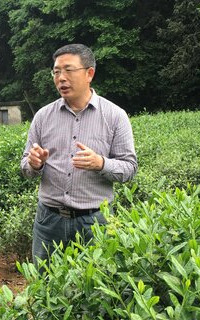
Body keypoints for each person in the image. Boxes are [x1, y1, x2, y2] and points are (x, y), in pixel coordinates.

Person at [20, 44, 138, 268]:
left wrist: (100, 163)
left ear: (89, 73)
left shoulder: (115, 116)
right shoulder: (43, 117)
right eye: (56, 72)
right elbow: (25, 167)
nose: (61, 78)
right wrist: (34, 164)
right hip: (49, 220)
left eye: (68, 70)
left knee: (96, 291)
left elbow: (129, 168)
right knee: (43, 286)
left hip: (95, 222)